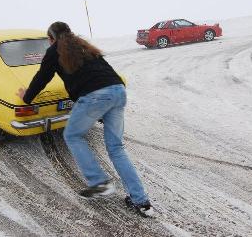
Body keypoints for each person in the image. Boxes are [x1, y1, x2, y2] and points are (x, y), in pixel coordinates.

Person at [17, 22, 154, 217]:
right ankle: (141, 201)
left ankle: (99, 182)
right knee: (116, 148)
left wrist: (26, 97)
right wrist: (104, 108)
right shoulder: (84, 46)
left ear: (51, 38)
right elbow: (105, 73)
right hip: (117, 91)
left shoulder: (54, 50)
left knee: (72, 135)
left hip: (95, 96)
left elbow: (42, 77)